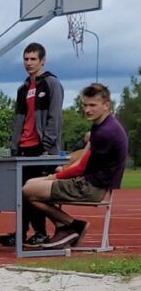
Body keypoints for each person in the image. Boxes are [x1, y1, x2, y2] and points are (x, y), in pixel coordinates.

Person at [22, 83, 127, 248]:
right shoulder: (103, 126)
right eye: (85, 105)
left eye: (93, 105)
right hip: (90, 183)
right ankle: (64, 228)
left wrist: (53, 176)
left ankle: (72, 225)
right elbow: (83, 157)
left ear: (106, 105)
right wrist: (63, 168)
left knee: (28, 190)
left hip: (91, 187)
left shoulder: (106, 132)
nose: (87, 109)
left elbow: (80, 168)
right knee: (30, 184)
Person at [0, 43, 64, 248]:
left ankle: (41, 232)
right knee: (21, 194)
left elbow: (55, 117)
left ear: (42, 60)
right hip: (24, 148)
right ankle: (22, 232)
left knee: (34, 192)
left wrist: (47, 146)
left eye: (33, 59)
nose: (29, 63)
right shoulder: (23, 88)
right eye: (26, 59)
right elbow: (19, 119)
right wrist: (14, 144)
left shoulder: (52, 84)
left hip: (42, 149)